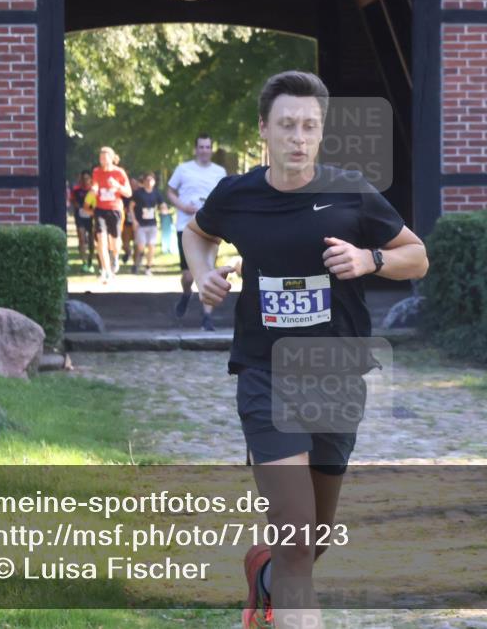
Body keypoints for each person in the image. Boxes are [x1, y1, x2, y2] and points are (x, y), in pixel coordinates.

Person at [182, 71, 428, 629]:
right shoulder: (237, 195)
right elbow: (197, 233)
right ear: (264, 130)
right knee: (295, 535)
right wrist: (203, 276)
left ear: (322, 133)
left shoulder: (351, 193)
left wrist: (372, 261)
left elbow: (417, 254)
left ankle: (263, 577)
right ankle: (281, 582)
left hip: (338, 374)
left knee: (311, 539)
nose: (298, 137)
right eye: (287, 125)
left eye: (309, 127)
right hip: (267, 374)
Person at [167, 134, 227, 331]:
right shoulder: (183, 169)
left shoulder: (220, 172)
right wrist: (183, 206)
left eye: (208, 147)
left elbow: (226, 196)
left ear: (212, 149)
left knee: (208, 272)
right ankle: (186, 293)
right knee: (188, 276)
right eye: (201, 147)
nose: (204, 150)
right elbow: (170, 191)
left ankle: (207, 319)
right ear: (195, 149)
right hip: (185, 227)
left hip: (210, 228)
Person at [91, 146, 133, 283]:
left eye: (105, 157)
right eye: (100, 158)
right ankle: (106, 270)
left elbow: (128, 193)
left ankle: (115, 256)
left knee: (114, 243)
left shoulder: (119, 172)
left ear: (111, 158)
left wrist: (117, 186)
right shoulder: (96, 171)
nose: (102, 160)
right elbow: (95, 185)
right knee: (101, 240)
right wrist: (94, 189)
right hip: (100, 209)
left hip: (115, 209)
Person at [129, 173, 163, 275]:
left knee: (152, 246)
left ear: (154, 182)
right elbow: (131, 206)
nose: (149, 182)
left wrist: (164, 209)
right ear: (143, 182)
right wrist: (134, 220)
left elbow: (162, 204)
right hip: (140, 224)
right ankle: (136, 263)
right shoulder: (138, 193)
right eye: (147, 180)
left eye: (151, 180)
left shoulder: (156, 193)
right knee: (140, 246)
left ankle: (148, 268)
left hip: (152, 224)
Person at [69, 170, 96, 274]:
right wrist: (76, 205)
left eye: (87, 178)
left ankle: (90, 261)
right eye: (83, 179)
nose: (85, 181)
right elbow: (72, 199)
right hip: (80, 216)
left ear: (91, 179)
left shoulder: (93, 191)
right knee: (81, 238)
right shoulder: (76, 190)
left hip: (91, 217)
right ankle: (84, 262)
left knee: (91, 241)